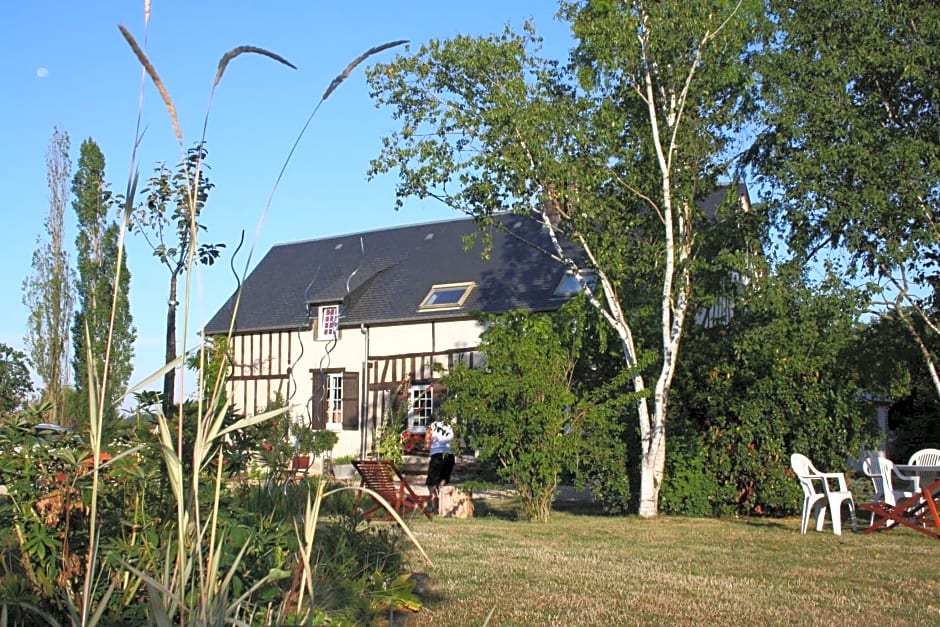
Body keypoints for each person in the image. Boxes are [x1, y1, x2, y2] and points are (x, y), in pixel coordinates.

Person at [424, 418, 455, 503]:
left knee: (431, 484)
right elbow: (455, 442)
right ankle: (443, 504)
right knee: (443, 482)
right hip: (450, 456)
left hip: (437, 456)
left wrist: (425, 448)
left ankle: (435, 504)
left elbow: (427, 444)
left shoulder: (431, 427)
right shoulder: (450, 427)